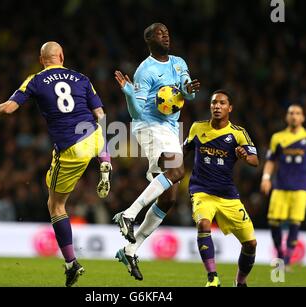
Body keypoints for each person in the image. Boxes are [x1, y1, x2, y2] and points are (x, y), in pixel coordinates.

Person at [0, 41, 111, 287]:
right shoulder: (81, 77)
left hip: (70, 148)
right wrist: (104, 150)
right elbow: (101, 115)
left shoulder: (35, 80)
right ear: (62, 56)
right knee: (97, 128)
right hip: (94, 137)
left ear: (42, 59)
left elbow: (10, 109)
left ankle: (71, 262)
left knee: (56, 205)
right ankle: (105, 161)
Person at [113, 23, 200, 280]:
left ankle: (130, 249)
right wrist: (129, 94)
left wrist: (189, 90)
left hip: (171, 128)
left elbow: (187, 93)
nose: (166, 35)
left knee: (170, 197)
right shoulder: (144, 71)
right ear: (149, 39)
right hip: (148, 125)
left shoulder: (178, 63)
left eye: (167, 32)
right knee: (177, 169)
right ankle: (128, 215)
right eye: (160, 33)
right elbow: (136, 112)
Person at [184, 90, 259, 287]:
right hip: (201, 191)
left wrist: (244, 156)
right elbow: (182, 152)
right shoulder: (197, 128)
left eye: (222, 103)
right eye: (214, 103)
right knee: (203, 224)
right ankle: (213, 277)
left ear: (230, 108)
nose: (217, 106)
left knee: (251, 244)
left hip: (228, 195)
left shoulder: (238, 133)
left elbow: (255, 160)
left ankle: (240, 282)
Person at [260, 104, 306, 270]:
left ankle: (287, 260)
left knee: (295, 222)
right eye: (291, 113)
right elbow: (270, 160)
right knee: (273, 221)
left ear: (303, 117)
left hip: (300, 188)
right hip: (280, 186)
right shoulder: (278, 137)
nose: (294, 116)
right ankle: (280, 255)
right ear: (286, 117)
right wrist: (266, 178)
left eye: (297, 113)